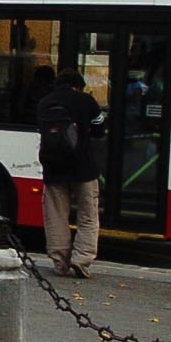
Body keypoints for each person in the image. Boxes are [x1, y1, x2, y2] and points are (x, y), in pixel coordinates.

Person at [37, 69, 105, 278]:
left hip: (53, 167)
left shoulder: (44, 102)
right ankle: (81, 259)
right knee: (88, 214)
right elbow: (100, 130)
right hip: (83, 166)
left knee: (56, 215)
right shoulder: (86, 101)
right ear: (79, 85)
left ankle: (60, 261)